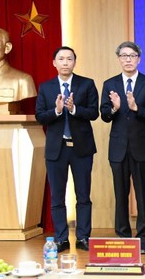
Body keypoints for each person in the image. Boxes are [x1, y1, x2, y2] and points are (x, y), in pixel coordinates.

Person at [35, 46, 99, 253]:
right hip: (57, 149)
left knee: (83, 196)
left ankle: (83, 237)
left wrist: (73, 109)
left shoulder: (86, 84)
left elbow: (94, 113)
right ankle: (61, 238)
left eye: (69, 59)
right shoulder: (46, 87)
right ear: (54, 63)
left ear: (74, 62)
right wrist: (57, 110)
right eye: (61, 59)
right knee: (57, 197)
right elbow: (40, 116)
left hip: (81, 148)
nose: (65, 62)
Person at [100, 41, 145, 255]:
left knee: (142, 193)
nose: (128, 59)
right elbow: (104, 115)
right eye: (124, 56)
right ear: (119, 59)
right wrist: (115, 108)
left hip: (141, 147)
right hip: (118, 148)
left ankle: (142, 238)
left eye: (132, 55)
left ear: (138, 59)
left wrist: (136, 107)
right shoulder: (110, 83)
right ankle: (123, 237)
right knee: (120, 193)